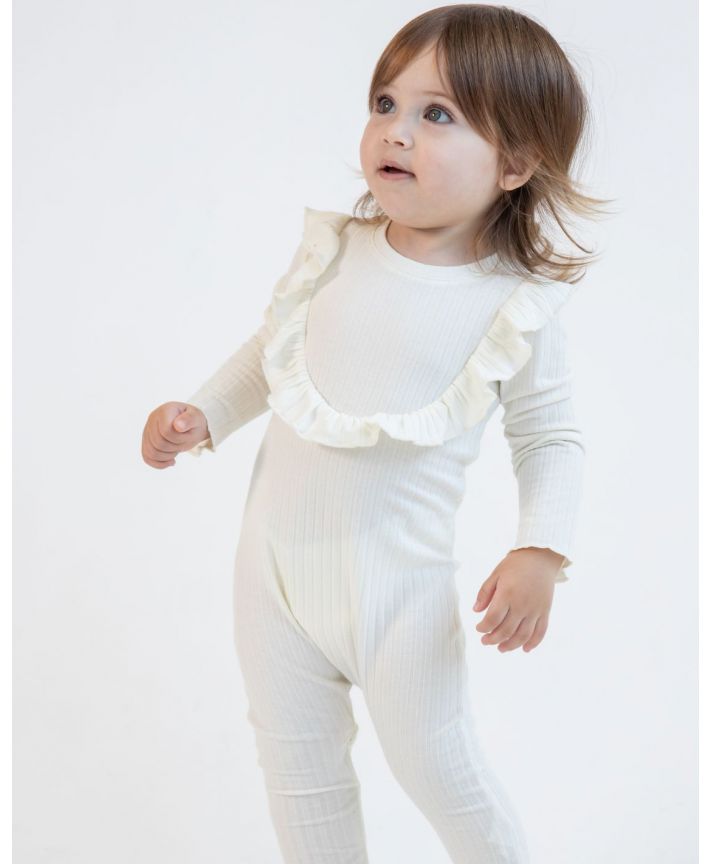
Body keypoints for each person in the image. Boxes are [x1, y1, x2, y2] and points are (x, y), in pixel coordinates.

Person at [141, 5, 611, 862]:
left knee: (440, 770)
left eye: (437, 114)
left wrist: (539, 550)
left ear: (514, 162)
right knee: (298, 771)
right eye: (385, 104)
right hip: (270, 574)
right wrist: (203, 413)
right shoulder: (337, 252)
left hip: (397, 597)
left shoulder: (510, 302)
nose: (395, 130)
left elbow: (549, 436)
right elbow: (272, 353)